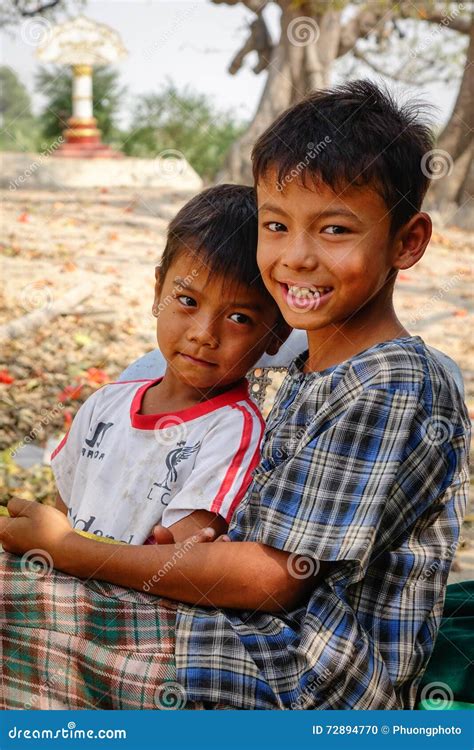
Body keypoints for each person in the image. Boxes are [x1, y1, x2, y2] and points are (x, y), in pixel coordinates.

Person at [0, 80, 470, 711]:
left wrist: (72, 551)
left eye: (333, 229)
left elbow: (270, 579)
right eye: (276, 225)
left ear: (407, 242)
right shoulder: (306, 365)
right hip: (229, 632)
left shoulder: (396, 383)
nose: (296, 257)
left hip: (296, 675)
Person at [51, 183, 288, 546]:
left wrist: (61, 548)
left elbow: (175, 556)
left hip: (135, 599)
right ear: (158, 290)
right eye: (188, 300)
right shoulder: (105, 404)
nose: (203, 334)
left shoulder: (233, 432)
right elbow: (59, 514)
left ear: (277, 333)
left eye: (239, 318)